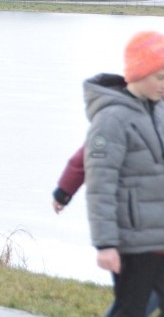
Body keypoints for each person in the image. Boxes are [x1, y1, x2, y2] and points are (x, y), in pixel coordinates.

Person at [84, 31, 164, 317]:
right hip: (133, 241)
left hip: (160, 234)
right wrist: (105, 244)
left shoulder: (158, 110)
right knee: (130, 310)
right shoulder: (111, 119)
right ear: (140, 72)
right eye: (160, 77)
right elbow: (100, 186)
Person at [53, 145, 160, 316]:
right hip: (138, 228)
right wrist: (64, 192)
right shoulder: (116, 121)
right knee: (136, 300)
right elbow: (91, 154)